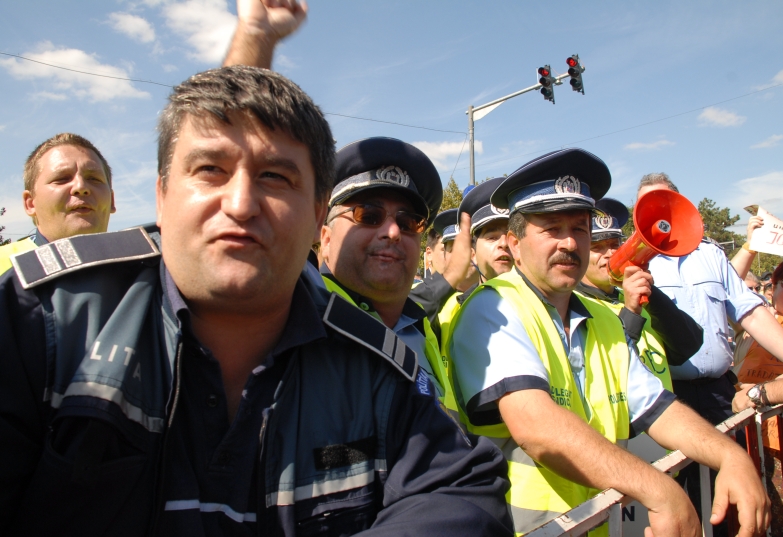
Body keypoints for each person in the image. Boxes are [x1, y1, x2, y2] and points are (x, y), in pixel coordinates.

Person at [0, 66, 512, 537]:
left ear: (314, 217)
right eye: (210, 170)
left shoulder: (375, 368)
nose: (241, 203)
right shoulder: (44, 322)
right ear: (161, 197)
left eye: (275, 177)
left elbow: (464, 491)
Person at [449, 149, 769, 536]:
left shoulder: (604, 318)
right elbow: (537, 427)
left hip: (600, 523)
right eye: (552, 228)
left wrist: (730, 455)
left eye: (580, 228)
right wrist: (660, 490)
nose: (569, 243)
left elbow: (658, 408)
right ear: (515, 244)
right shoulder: (493, 307)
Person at [640, 172, 783, 531]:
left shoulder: (710, 254)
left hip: (718, 395)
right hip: (667, 400)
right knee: (679, 499)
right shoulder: (633, 262)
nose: (654, 214)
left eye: (662, 203)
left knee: (732, 495)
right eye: (644, 206)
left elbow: (751, 311)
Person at [318, 137, 461, 416]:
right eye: (369, 216)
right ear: (326, 240)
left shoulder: (420, 327)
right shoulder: (300, 318)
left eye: (408, 223)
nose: (393, 232)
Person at [575, 197, 704, 391]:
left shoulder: (629, 296)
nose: (610, 253)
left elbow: (688, 346)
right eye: (597, 247)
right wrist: (631, 312)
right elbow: (608, 365)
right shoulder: (575, 304)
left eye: (615, 244)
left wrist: (651, 294)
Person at [0, 133, 115, 273]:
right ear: (30, 203)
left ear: (112, 201)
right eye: (62, 178)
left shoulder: (141, 269)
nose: (81, 187)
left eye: (94, 179)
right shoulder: (4, 264)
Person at [437, 177, 512, 356]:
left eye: (511, 235)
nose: (504, 243)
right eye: (492, 237)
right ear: (472, 254)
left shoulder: (551, 303)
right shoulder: (450, 311)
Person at [733, 261, 783, 428]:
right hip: (751, 433)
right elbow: (728, 285)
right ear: (772, 289)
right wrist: (751, 247)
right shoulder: (753, 321)